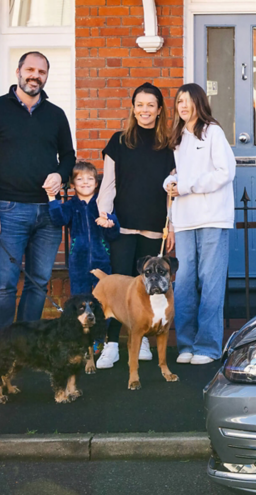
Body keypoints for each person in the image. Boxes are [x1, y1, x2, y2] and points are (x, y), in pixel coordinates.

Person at [0, 51, 75, 334]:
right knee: (5, 284)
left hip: (48, 213)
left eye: (41, 72)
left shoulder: (56, 115)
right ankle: (0, 351)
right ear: (18, 71)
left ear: (46, 76)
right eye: (30, 69)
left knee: (39, 282)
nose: (35, 76)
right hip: (7, 210)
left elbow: (68, 155)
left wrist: (60, 175)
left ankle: (25, 348)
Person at [96, 82, 176, 369]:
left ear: (159, 110)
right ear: (133, 108)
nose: (145, 110)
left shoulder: (169, 146)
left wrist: (173, 227)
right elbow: (109, 183)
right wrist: (103, 212)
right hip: (123, 226)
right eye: (140, 104)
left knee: (145, 287)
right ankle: (110, 345)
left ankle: (141, 339)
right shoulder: (118, 141)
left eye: (150, 105)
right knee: (118, 287)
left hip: (154, 226)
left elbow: (172, 191)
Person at [163, 83, 236, 365]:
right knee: (182, 283)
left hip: (212, 218)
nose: (182, 106)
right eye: (179, 101)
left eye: (188, 101)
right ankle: (187, 345)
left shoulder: (212, 132)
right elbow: (174, 175)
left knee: (210, 282)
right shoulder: (177, 137)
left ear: (199, 103)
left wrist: (186, 186)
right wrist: (170, 183)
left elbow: (225, 172)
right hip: (183, 220)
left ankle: (207, 347)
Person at [48, 161, 120, 295]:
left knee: (105, 299)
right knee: (80, 299)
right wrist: (52, 198)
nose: (85, 182)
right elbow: (58, 220)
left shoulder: (102, 204)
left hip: (102, 260)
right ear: (73, 184)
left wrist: (111, 223)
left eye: (90, 179)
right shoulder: (71, 205)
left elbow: (113, 234)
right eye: (80, 179)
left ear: (96, 183)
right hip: (78, 262)